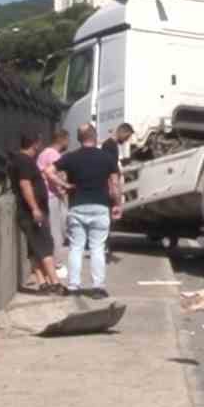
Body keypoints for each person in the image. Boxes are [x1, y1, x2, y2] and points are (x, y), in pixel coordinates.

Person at [57, 123, 122, 298]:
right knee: (97, 248)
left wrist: (64, 185)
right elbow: (114, 185)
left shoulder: (70, 157)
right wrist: (117, 204)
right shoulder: (107, 158)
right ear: (94, 137)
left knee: (76, 247)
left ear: (79, 138)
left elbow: (48, 170)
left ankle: (73, 287)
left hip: (77, 206)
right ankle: (98, 288)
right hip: (100, 207)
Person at [6, 130, 62, 294]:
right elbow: (25, 185)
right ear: (35, 143)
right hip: (32, 212)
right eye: (39, 142)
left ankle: (43, 283)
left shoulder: (20, 160)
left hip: (28, 211)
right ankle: (55, 283)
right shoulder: (24, 161)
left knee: (35, 248)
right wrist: (35, 209)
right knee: (45, 246)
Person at [37, 128, 72, 280]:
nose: (68, 143)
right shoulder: (52, 154)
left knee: (61, 227)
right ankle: (56, 264)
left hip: (53, 196)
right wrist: (64, 185)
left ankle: (55, 262)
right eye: (67, 139)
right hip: (51, 196)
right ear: (62, 139)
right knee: (56, 230)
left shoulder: (46, 153)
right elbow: (51, 174)